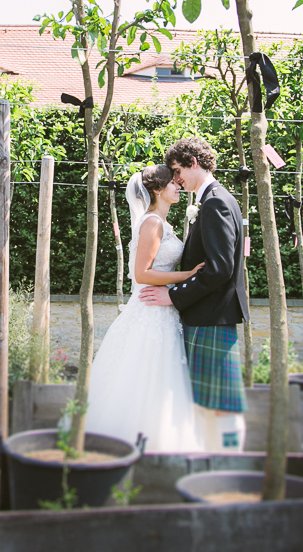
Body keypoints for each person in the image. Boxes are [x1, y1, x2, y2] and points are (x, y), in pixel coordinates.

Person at [84, 164, 206, 453]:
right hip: (150, 312)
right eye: (173, 183)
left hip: (161, 310)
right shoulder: (152, 223)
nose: (178, 186)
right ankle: (136, 444)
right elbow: (143, 274)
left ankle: (155, 443)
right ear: (157, 190)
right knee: (145, 376)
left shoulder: (161, 222)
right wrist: (187, 276)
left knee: (156, 380)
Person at [140, 137, 248, 453]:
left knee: (218, 404)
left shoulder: (215, 202)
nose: (176, 179)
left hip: (210, 316)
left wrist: (174, 296)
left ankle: (228, 462)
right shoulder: (216, 198)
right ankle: (216, 460)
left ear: (193, 163)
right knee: (210, 402)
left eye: (177, 171)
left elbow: (219, 269)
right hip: (210, 315)